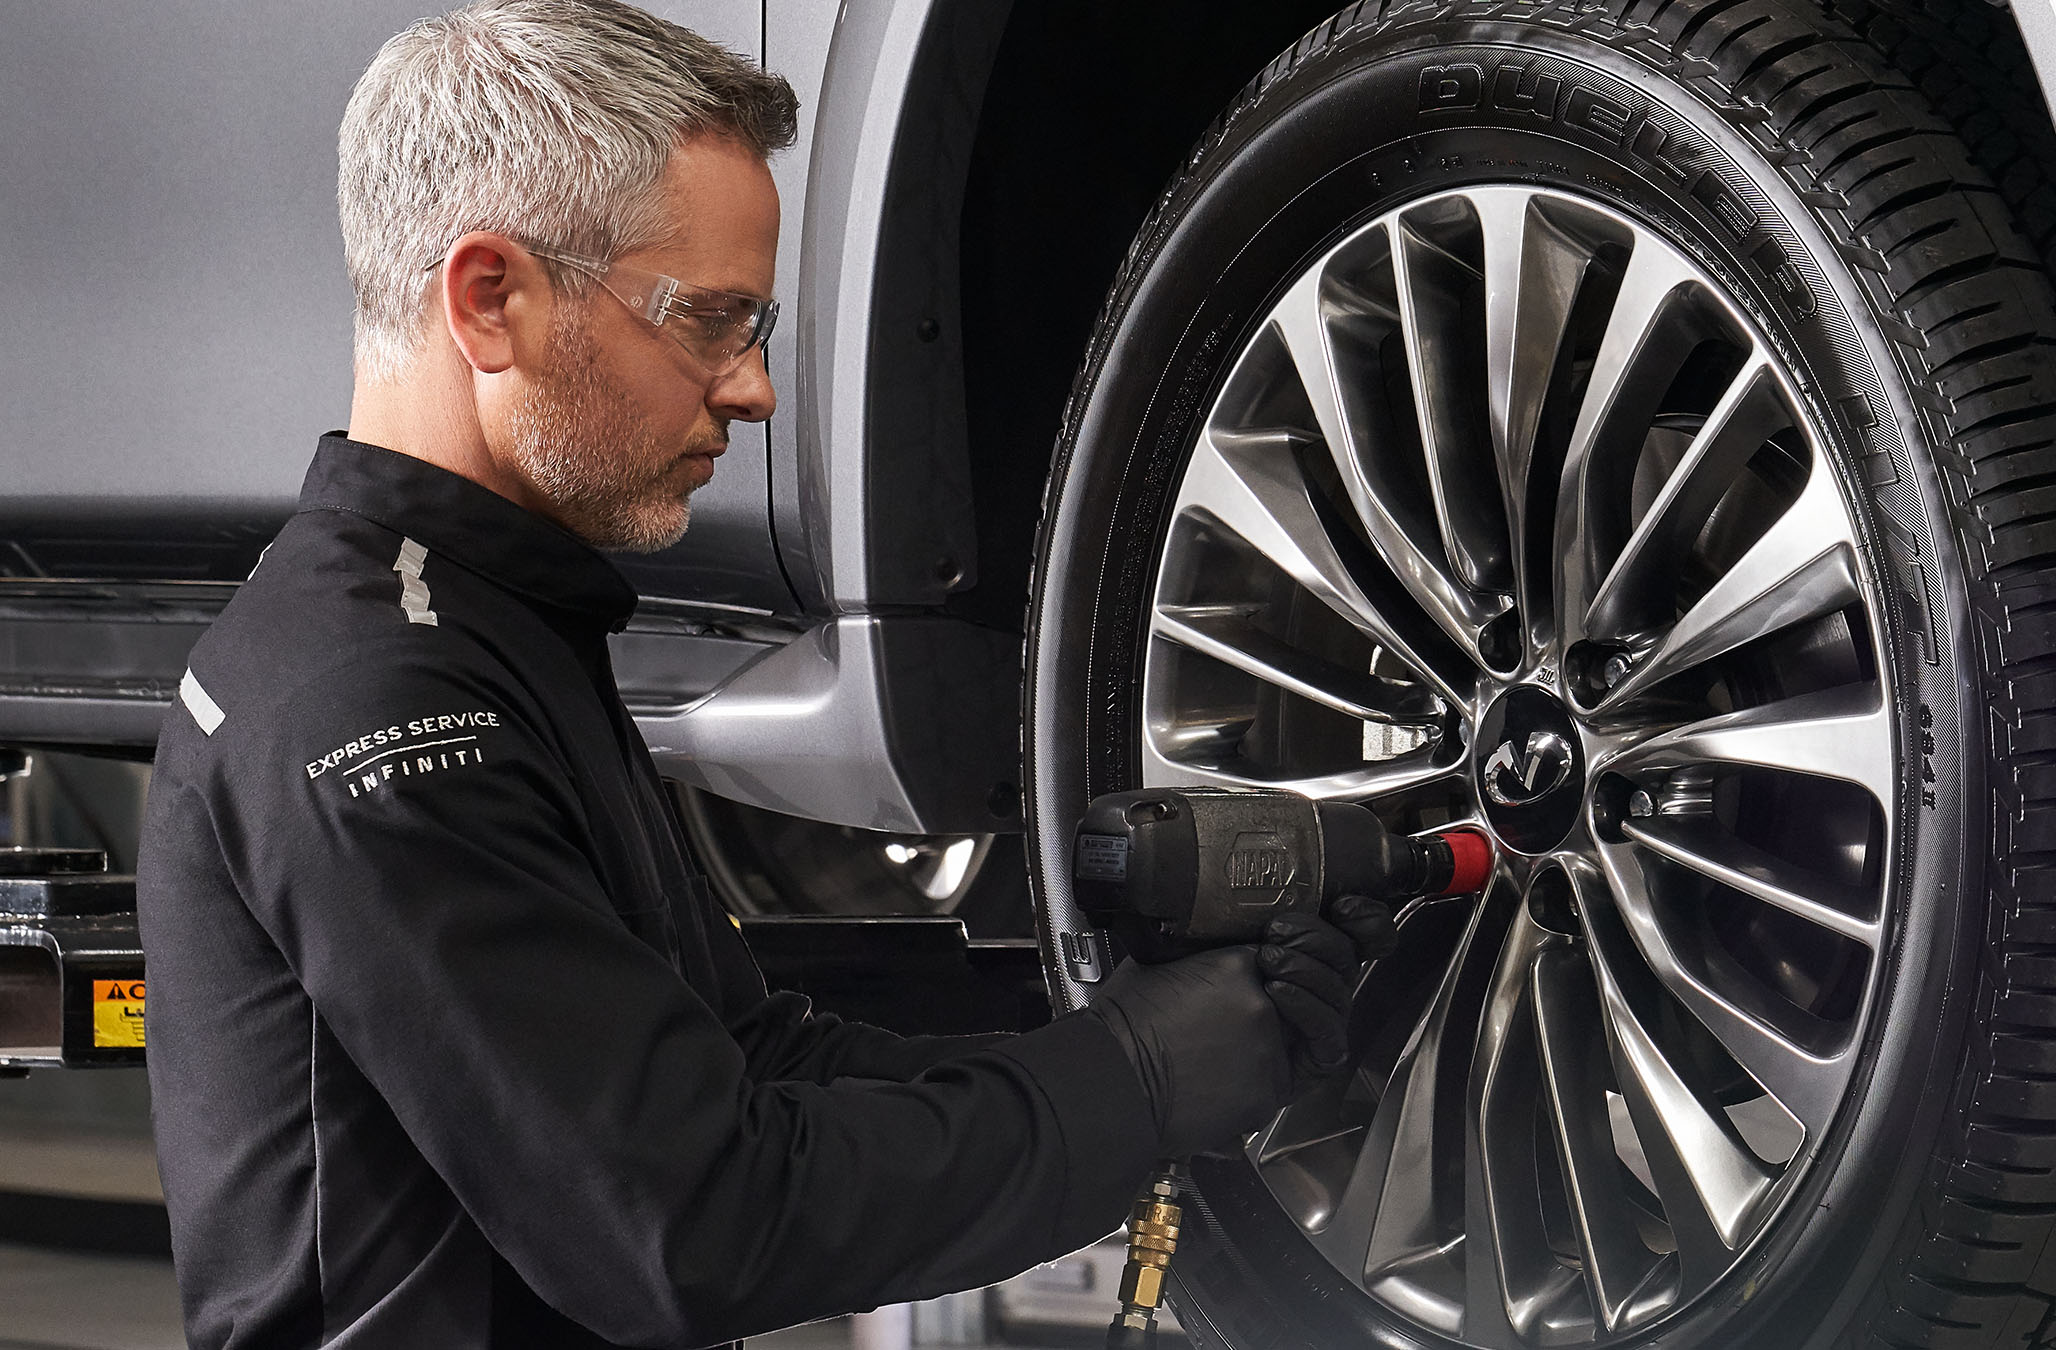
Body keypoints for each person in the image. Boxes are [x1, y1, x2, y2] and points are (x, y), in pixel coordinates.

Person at [135, 4, 1390, 1347]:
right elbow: (693, 1221)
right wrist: (1137, 1080)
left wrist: (1130, 1048)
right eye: (710, 322)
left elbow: (753, 1073)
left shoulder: (486, 630)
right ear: (489, 299)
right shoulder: (373, 702)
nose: (753, 390)